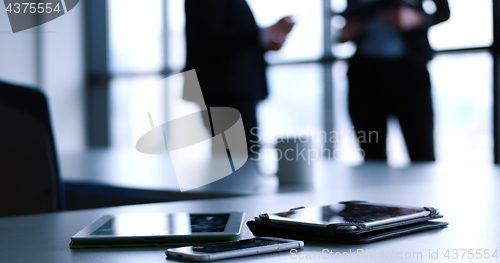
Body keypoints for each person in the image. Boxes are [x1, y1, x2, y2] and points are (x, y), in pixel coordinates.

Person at [340, 0, 450, 161]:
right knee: (372, 158)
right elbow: (347, 23)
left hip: (410, 72)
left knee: (422, 154)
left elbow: (443, 12)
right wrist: (347, 32)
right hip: (364, 75)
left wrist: (416, 18)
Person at [184, 0, 294, 155]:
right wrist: (264, 33)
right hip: (225, 90)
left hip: (231, 89)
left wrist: (264, 40)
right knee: (236, 159)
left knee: (237, 158)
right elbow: (211, 39)